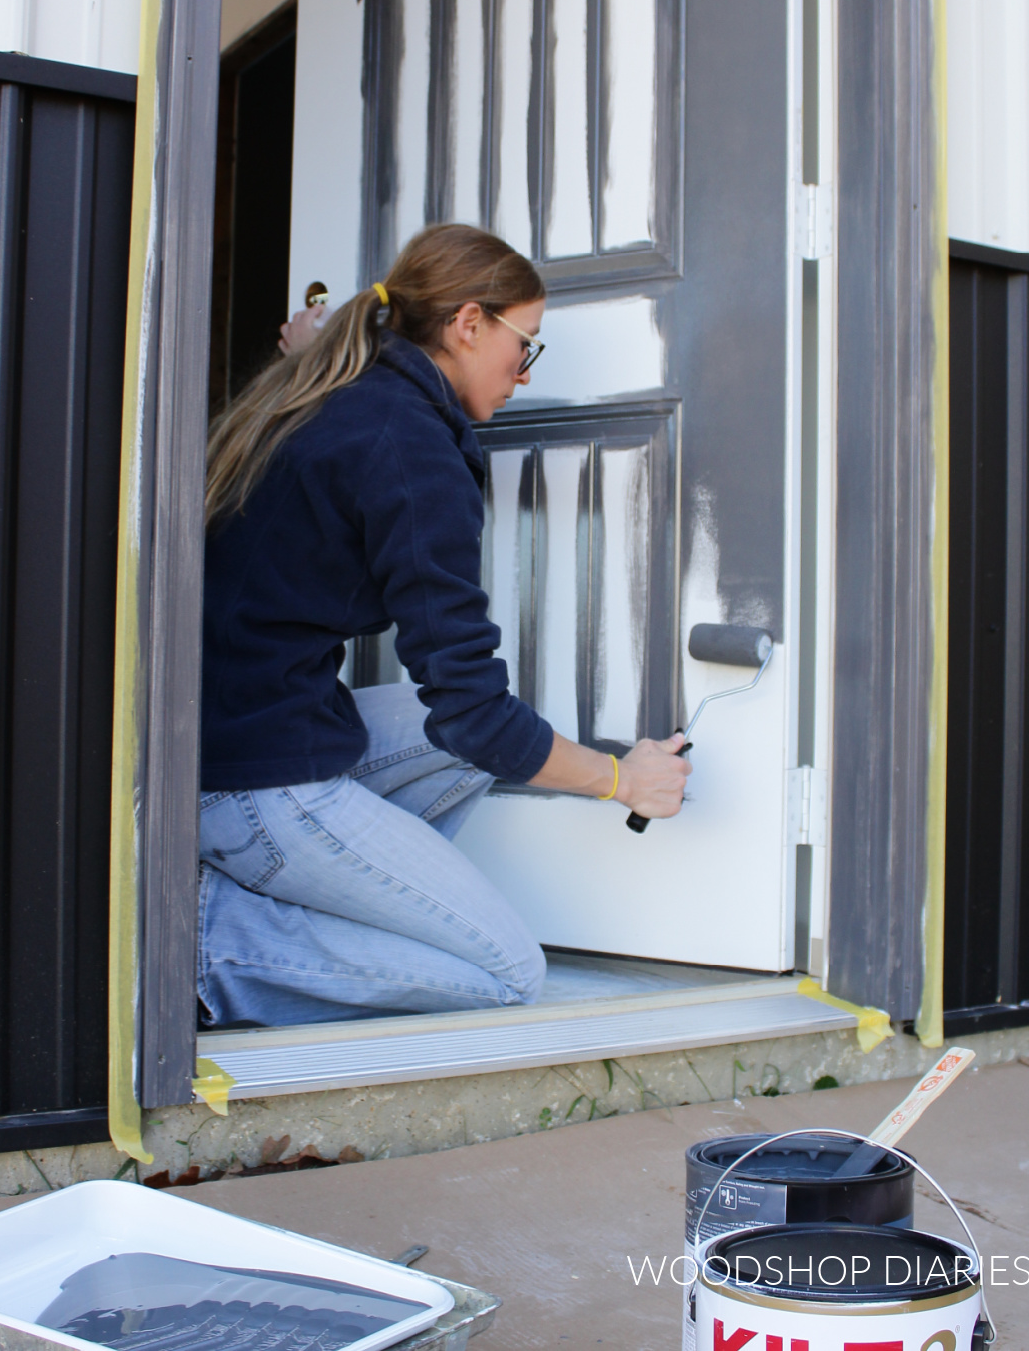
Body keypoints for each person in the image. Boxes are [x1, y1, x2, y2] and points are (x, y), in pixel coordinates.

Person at [199, 224, 689, 1028]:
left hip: (230, 738)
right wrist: (620, 781)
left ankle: (309, 892)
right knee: (501, 971)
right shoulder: (408, 444)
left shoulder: (332, 390)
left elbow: (466, 731)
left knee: (452, 747)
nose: (522, 377)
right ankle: (207, 937)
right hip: (255, 781)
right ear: (467, 324)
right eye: (524, 347)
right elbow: (476, 716)